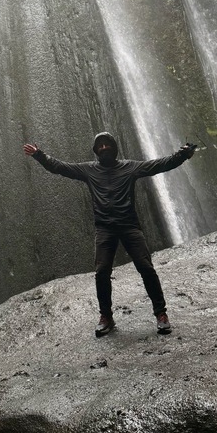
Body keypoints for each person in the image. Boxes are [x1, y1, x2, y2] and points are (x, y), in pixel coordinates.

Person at [23, 132, 196, 338]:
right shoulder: (88, 170)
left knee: (146, 268)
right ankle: (106, 317)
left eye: (107, 145)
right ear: (96, 151)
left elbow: (159, 165)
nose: (104, 148)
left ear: (114, 148)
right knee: (102, 272)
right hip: (105, 229)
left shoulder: (130, 167)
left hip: (130, 227)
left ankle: (161, 314)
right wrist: (39, 154)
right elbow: (61, 167)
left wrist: (182, 155)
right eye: (100, 146)